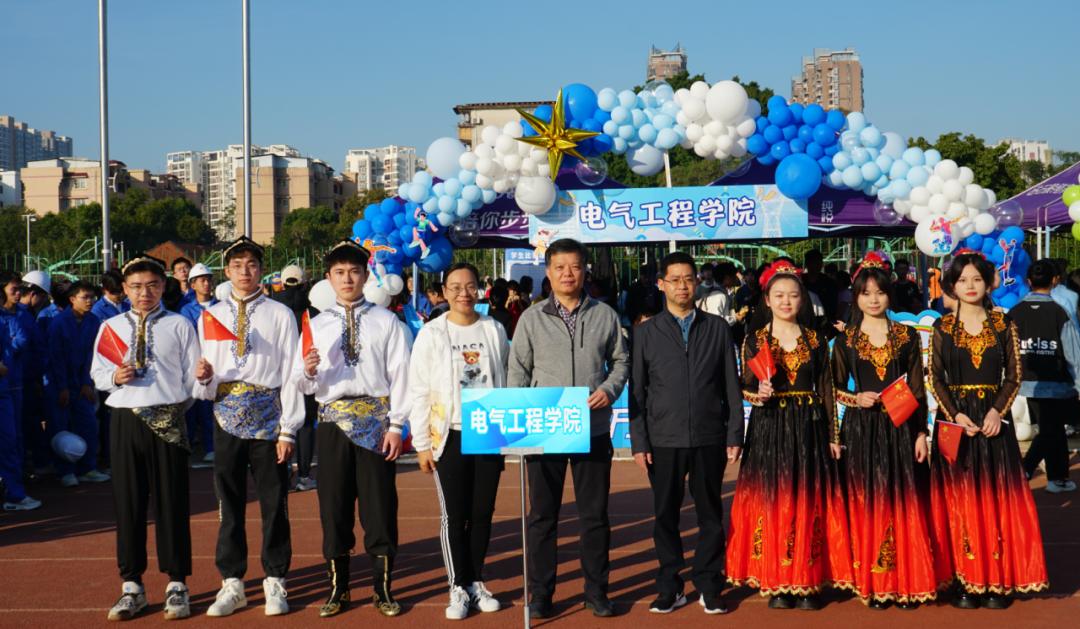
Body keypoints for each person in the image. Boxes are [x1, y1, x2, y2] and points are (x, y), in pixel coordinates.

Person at [508, 238, 630, 619]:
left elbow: (621, 361)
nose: (568, 274)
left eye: (575, 266)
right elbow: (518, 371)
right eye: (559, 267)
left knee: (594, 516)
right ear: (548, 272)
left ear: (585, 270)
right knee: (542, 517)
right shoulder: (531, 318)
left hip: (591, 428)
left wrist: (609, 389)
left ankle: (596, 592)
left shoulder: (605, 315)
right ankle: (541, 593)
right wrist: (521, 421)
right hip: (545, 429)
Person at [290, 240, 410, 618]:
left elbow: (402, 375)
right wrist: (308, 370)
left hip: (377, 422)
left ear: (365, 275)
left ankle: (382, 588)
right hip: (332, 424)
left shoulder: (386, 321)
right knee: (334, 507)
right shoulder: (316, 325)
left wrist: (397, 425)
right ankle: (338, 588)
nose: (347, 279)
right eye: (339, 273)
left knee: (380, 507)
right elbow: (299, 381)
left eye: (354, 272)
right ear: (329, 278)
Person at [726, 259, 852, 610]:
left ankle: (808, 580)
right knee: (773, 500)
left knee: (808, 500)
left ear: (803, 299)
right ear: (767, 300)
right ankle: (778, 579)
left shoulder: (816, 339)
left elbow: (827, 389)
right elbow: (743, 387)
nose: (786, 301)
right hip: (770, 428)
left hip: (809, 428)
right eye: (779, 295)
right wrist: (759, 394)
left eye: (793, 295)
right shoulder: (755, 340)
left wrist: (833, 435)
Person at [927, 252, 1048, 609]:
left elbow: (1014, 375)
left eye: (977, 279)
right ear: (952, 285)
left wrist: (997, 411)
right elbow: (935, 378)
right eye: (963, 280)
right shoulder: (942, 328)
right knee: (958, 499)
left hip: (995, 423)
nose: (970, 286)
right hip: (956, 424)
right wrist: (956, 414)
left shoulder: (1003, 324)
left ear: (989, 283)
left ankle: (997, 579)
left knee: (996, 499)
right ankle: (964, 580)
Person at [629, 252, 743, 615]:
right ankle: (670, 586)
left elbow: (731, 385)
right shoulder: (645, 333)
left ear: (698, 283)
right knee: (665, 515)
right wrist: (639, 441)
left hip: (709, 436)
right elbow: (637, 391)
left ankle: (709, 584)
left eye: (688, 279)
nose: (682, 286)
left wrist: (734, 433)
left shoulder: (717, 328)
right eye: (674, 279)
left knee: (710, 514)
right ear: (661, 284)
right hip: (663, 439)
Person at [193, 237, 302, 617]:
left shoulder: (279, 314)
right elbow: (205, 379)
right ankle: (232, 581)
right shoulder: (211, 316)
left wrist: (288, 429)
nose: (244, 271)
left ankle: (276, 578)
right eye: (237, 265)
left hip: (270, 418)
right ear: (226, 271)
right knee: (229, 502)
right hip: (225, 416)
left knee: (275, 502)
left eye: (252, 264)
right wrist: (203, 377)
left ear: (261, 270)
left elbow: (292, 373)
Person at [90, 255, 200, 621]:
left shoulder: (179, 324)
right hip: (125, 419)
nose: (144, 293)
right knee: (129, 504)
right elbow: (97, 373)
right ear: (124, 289)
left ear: (163, 286)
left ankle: (177, 583)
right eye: (136, 287)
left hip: (168, 419)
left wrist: (170, 405)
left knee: (172, 502)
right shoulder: (110, 327)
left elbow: (191, 378)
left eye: (152, 285)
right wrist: (114, 378)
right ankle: (131, 585)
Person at [830, 253, 936, 608]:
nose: (873, 299)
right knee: (869, 502)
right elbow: (832, 388)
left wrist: (920, 434)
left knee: (904, 500)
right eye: (866, 293)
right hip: (862, 429)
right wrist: (855, 398)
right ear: (856, 297)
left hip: (901, 426)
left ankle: (907, 581)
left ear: (890, 295)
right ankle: (875, 581)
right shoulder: (846, 340)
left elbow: (918, 388)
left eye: (880, 292)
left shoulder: (906, 336)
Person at [409, 262, 509, 620]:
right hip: (449, 433)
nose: (463, 293)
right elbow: (418, 389)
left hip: (488, 430)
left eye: (469, 286)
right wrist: (421, 443)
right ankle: (457, 585)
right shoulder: (432, 333)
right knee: (455, 514)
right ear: (444, 291)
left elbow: (505, 375)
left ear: (479, 289)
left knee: (482, 512)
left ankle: (476, 580)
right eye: (455, 287)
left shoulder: (494, 328)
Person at [1013, 259, 1080, 492]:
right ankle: (1026, 469)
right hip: (1057, 383)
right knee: (1051, 429)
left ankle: (1057, 477)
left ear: (1028, 281)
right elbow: (1073, 354)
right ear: (1054, 280)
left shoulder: (1014, 312)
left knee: (1053, 429)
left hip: (1027, 384)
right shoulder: (1060, 312)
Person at [49, 281, 110, 488]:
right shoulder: (58, 323)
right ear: (72, 299)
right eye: (85, 297)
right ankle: (65, 471)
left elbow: (93, 355)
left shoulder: (93, 321)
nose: (90, 301)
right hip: (59, 384)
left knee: (88, 425)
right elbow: (55, 358)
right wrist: (62, 387)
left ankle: (87, 468)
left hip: (82, 383)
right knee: (62, 427)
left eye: (92, 297)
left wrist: (86, 383)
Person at [179, 263, 218, 463]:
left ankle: (212, 447)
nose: (206, 283)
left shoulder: (221, 306)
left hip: (216, 363)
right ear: (192, 285)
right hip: (195, 364)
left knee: (211, 409)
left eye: (209, 279)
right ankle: (189, 448)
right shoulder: (186, 310)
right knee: (192, 408)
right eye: (202, 280)